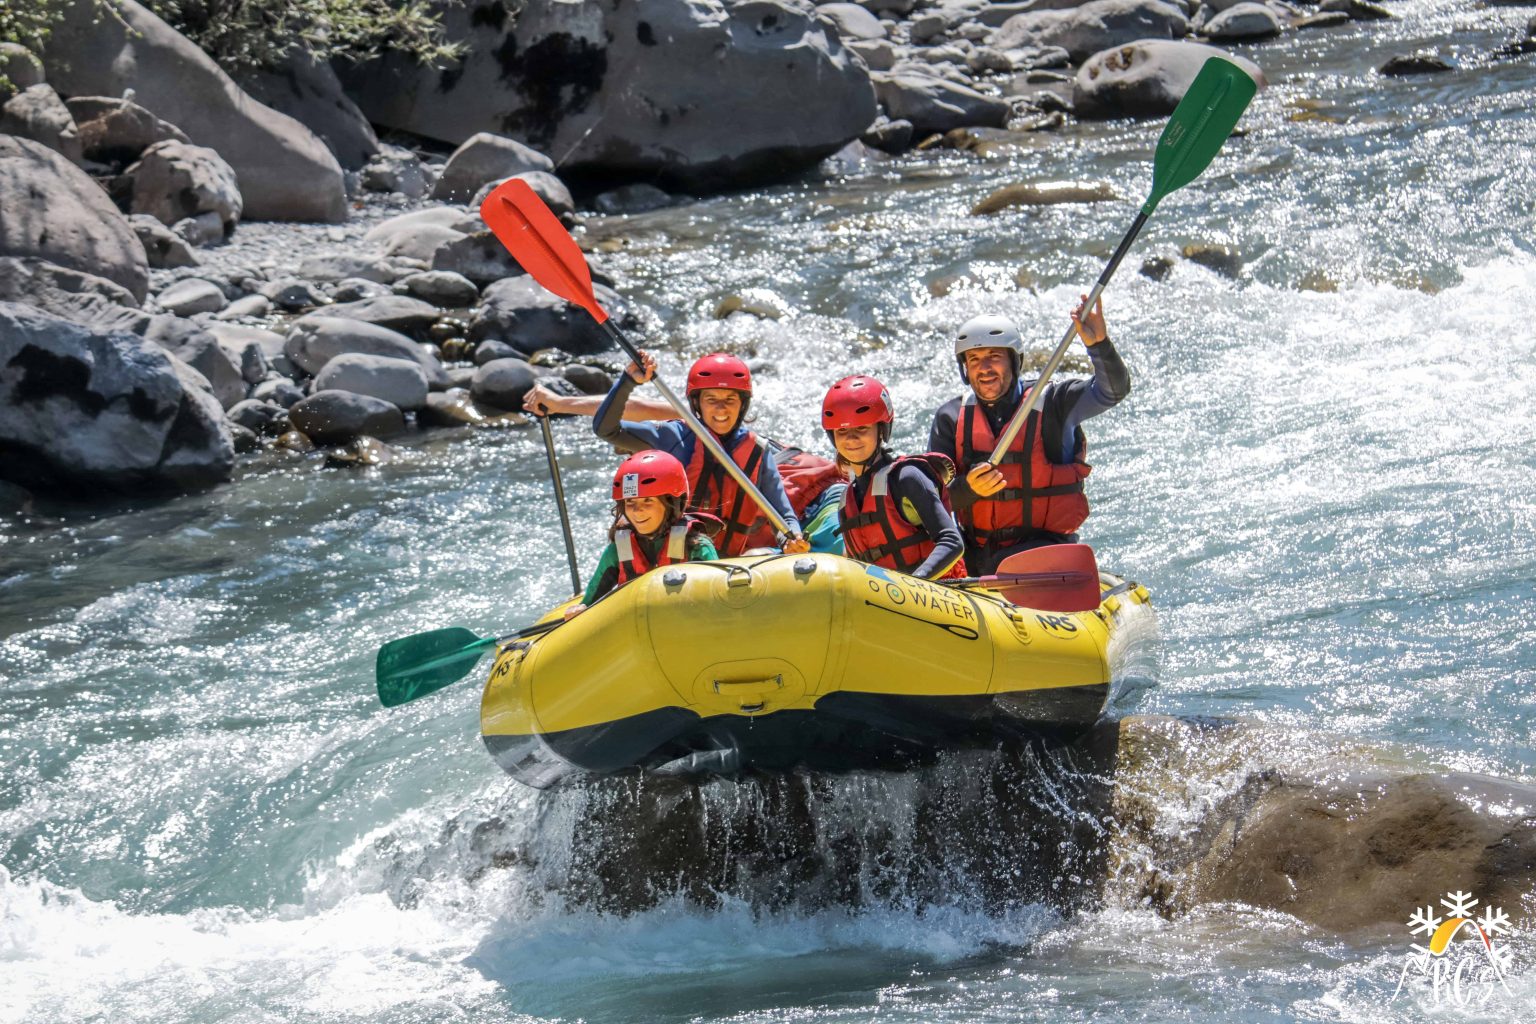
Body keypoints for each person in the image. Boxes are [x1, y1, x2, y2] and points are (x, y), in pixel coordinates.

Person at [928, 296, 1129, 575]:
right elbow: (931, 502)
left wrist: (1099, 345)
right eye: (974, 359)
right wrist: (967, 489)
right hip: (977, 560)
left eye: (994, 357)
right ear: (964, 368)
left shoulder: (1055, 403)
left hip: (1043, 555)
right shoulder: (950, 418)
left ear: (1014, 360)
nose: (984, 369)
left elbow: (1112, 391)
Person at [594, 350, 810, 556]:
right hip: (671, 559)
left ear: (742, 405)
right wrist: (627, 381)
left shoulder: (756, 451)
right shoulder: (672, 437)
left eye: (730, 400)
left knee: (756, 553)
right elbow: (606, 429)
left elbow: (782, 513)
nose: (721, 408)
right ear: (697, 403)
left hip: (726, 563)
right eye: (711, 399)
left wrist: (791, 538)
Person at [823, 375, 966, 581]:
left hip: (939, 593)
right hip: (887, 603)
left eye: (861, 428)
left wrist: (911, 586)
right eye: (842, 430)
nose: (850, 438)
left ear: (881, 430)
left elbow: (952, 541)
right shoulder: (847, 500)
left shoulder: (906, 477)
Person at [565, 450, 720, 618]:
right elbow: (589, 603)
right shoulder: (618, 551)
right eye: (630, 502)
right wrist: (580, 609)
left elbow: (719, 599)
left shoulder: (697, 546)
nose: (637, 511)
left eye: (648, 500)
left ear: (672, 503)